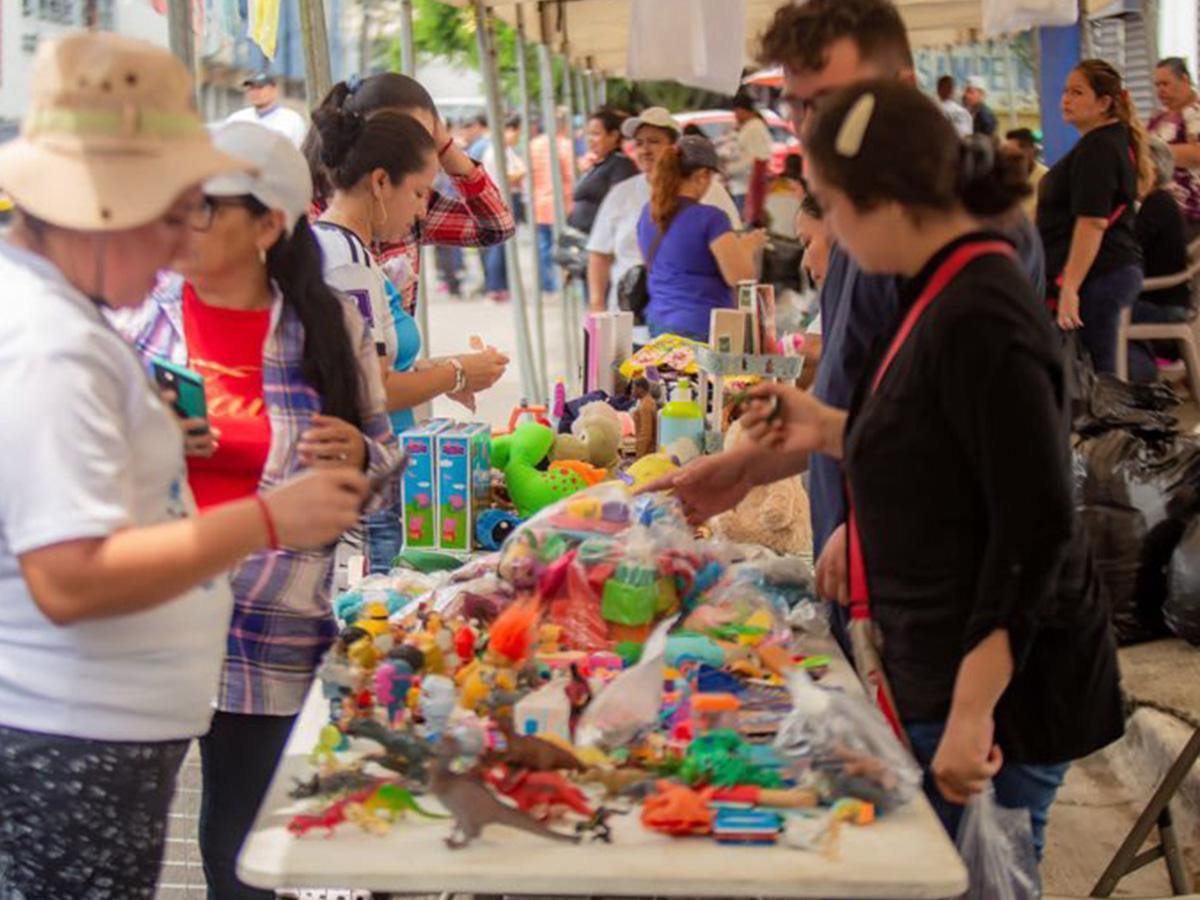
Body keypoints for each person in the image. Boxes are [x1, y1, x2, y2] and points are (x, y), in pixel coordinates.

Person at [656, 79, 1126, 857]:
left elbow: (1034, 525)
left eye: (832, 209)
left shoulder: (985, 313)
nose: (826, 236)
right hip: (937, 658)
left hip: (1003, 694)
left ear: (883, 199)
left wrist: (975, 708)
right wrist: (773, 455)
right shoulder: (931, 285)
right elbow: (931, 440)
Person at [0, 32, 369, 899]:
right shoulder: (52, 346)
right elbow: (69, 576)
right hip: (71, 738)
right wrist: (271, 520)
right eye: (172, 215)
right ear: (100, 208)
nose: (179, 248)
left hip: (91, 732)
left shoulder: (60, 319)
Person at [116, 122, 402, 900]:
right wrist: (145, 434)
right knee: (121, 849)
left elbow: (383, 470)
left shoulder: (327, 326)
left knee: (242, 859)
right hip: (149, 621)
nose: (179, 225)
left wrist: (357, 457)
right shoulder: (136, 316)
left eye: (204, 209)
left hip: (268, 629)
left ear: (269, 224)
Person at [311, 94, 508, 571]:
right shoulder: (348, 263)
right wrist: (457, 373)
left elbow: (365, 366)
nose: (423, 212)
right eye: (420, 193)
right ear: (381, 183)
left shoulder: (339, 249)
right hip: (370, 487)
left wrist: (444, 370)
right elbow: (372, 388)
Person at [303, 74, 515, 317]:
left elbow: (497, 226)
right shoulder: (304, 219)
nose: (421, 210)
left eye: (427, 138)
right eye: (404, 134)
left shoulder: (414, 205)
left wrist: (446, 148)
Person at [1038, 59, 1152, 373]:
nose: (1066, 99)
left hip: (1099, 276)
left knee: (1099, 381)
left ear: (1104, 103)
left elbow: (1093, 222)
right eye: (1065, 91)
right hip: (1103, 272)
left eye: (1077, 92)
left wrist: (1070, 287)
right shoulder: (1106, 142)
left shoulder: (1099, 148)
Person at [587, 107, 742, 311]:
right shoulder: (621, 194)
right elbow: (599, 254)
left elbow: (734, 253)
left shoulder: (710, 190)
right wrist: (597, 307)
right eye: (639, 143)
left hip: (693, 316)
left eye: (654, 141)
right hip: (630, 320)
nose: (644, 150)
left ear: (674, 149)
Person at [636, 136, 764, 341]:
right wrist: (748, 247)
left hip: (658, 323)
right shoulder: (711, 218)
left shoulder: (649, 214)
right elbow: (740, 277)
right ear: (702, 176)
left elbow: (662, 262)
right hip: (702, 328)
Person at [1149, 56, 1200, 240]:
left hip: (1191, 213)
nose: (1160, 91)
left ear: (1185, 80)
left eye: (1165, 84)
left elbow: (1197, 153)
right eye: (1157, 85)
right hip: (1160, 210)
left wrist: (1155, 153)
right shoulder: (1158, 118)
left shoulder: (1196, 112)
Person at [481, 115, 528, 302]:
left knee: (502, 246)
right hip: (500, 200)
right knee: (498, 247)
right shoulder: (496, 152)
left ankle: (501, 286)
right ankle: (495, 287)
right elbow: (509, 176)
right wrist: (523, 172)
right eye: (516, 132)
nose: (517, 137)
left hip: (506, 199)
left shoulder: (506, 150)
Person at [568, 107, 638, 234]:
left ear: (613, 136)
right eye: (588, 134)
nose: (589, 139)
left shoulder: (621, 165)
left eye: (596, 134)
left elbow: (619, 207)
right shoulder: (601, 163)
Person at [530, 109, 576, 294]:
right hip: (561, 202)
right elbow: (570, 175)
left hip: (539, 201)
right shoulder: (564, 145)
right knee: (562, 246)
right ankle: (561, 283)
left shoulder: (533, 145)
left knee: (543, 246)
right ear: (563, 125)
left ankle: (547, 284)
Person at [728, 93, 774, 224]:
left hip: (747, 187)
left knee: (744, 227)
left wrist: (729, 170)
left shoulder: (754, 128)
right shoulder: (750, 127)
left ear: (743, 110)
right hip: (742, 185)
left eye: (736, 111)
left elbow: (755, 160)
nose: (735, 116)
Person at [228, 72, 308, 148]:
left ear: (274, 90)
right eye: (251, 89)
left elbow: (300, 154)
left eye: (259, 88)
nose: (255, 93)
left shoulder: (292, 120)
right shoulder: (237, 119)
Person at [1005, 127, 1048, 220]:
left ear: (1029, 150)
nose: (1007, 158)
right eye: (1005, 152)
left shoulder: (1046, 177)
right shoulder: (1004, 176)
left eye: (1012, 154)